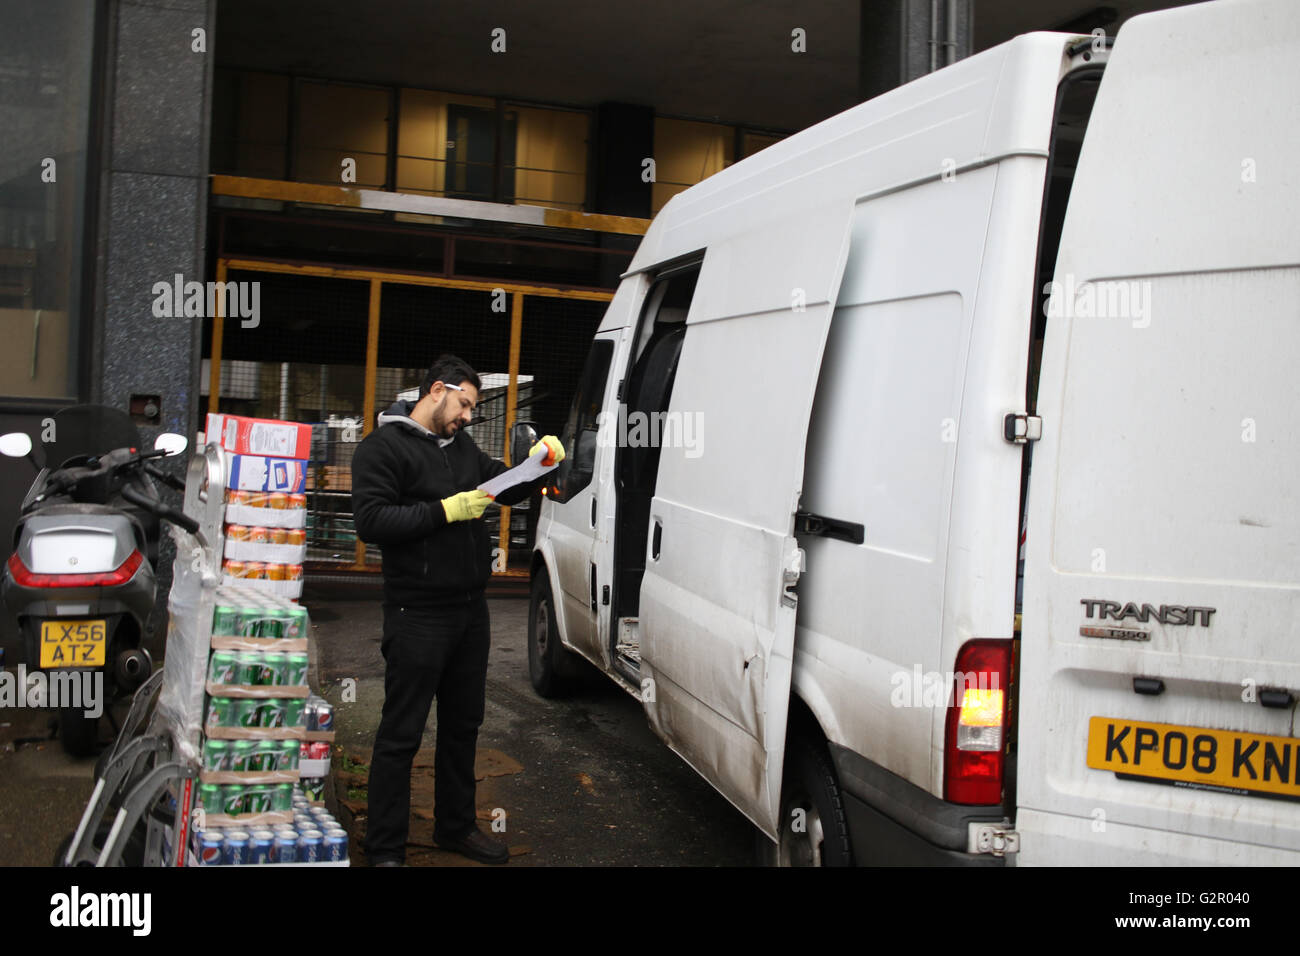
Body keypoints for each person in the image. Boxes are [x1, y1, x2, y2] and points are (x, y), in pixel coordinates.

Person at [350, 353, 564, 866]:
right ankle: (384, 848)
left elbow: (502, 483)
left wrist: (541, 463)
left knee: (463, 725)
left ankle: (455, 827)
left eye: (471, 409)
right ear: (437, 390)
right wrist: (444, 511)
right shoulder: (381, 449)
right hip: (416, 612)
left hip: (470, 611)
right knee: (401, 733)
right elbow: (372, 520)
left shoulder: (462, 448)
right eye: (464, 404)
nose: (468, 416)